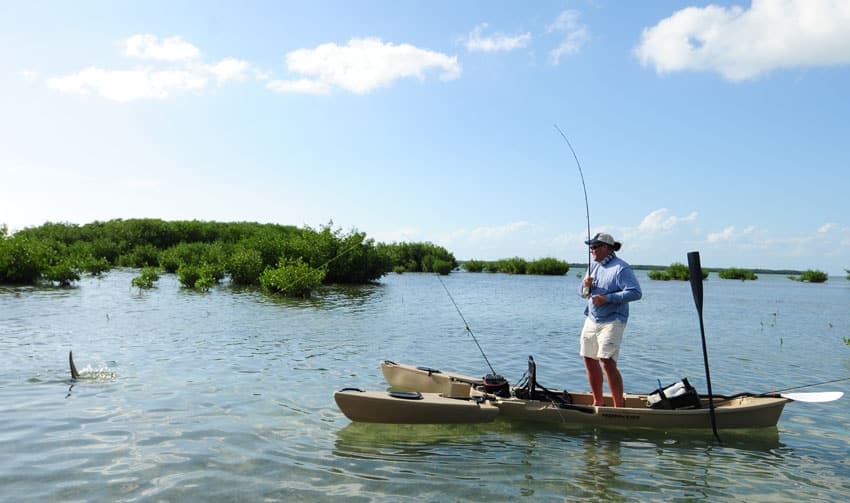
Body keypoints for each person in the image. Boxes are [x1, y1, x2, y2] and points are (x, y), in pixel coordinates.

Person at [579, 232, 642, 407]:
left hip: (613, 320)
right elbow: (581, 293)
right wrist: (585, 286)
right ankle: (597, 402)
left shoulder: (621, 268)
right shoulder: (592, 266)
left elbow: (636, 292)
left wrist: (607, 298)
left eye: (594, 246)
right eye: (590, 247)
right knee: (588, 359)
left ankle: (618, 406)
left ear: (606, 247)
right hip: (591, 319)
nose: (591, 250)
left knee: (607, 361)